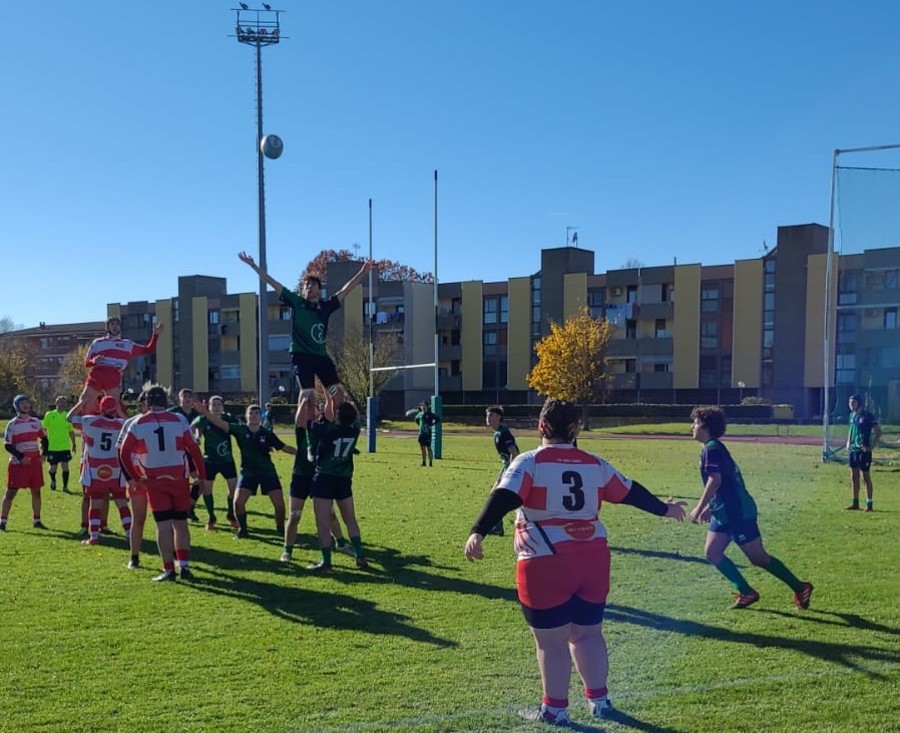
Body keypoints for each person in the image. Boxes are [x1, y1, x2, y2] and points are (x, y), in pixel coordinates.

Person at [464, 399, 686, 726]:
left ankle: (554, 710)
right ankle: (599, 701)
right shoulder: (594, 463)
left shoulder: (530, 462)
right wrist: (665, 509)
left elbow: (505, 495)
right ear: (576, 429)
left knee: (551, 643)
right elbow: (629, 491)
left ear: (541, 427)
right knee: (588, 634)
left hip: (544, 561)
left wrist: (478, 532)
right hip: (593, 559)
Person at [689, 406, 814, 611]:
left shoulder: (712, 448)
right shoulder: (712, 448)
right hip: (724, 512)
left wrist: (699, 506)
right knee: (712, 553)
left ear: (705, 427)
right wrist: (711, 508)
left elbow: (715, 480)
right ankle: (746, 592)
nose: (692, 427)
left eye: (695, 423)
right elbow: (727, 482)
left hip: (738, 512)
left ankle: (800, 587)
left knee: (758, 558)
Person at [238, 250, 374, 425]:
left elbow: (345, 290)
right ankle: (309, 437)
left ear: (319, 289)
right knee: (308, 398)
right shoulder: (297, 303)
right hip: (302, 357)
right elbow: (273, 282)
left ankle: (336, 429)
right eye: (305, 285)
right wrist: (254, 266)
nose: (308, 288)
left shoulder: (326, 307)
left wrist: (362, 273)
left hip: (321, 357)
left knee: (338, 395)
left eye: (312, 285)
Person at [118, 385, 206, 582]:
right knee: (181, 524)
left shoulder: (139, 422)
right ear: (165, 401)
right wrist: (201, 475)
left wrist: (134, 476)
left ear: (147, 403)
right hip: (179, 477)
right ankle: (184, 566)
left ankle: (168, 570)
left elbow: (123, 452)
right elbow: (194, 449)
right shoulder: (179, 419)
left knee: (163, 525)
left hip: (154, 479)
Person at [194, 402, 296, 540]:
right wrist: (206, 413)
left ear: (261, 417)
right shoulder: (239, 430)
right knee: (238, 502)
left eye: (256, 413)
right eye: (251, 413)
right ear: (246, 416)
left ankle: (280, 528)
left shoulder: (267, 433)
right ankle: (243, 530)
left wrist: (301, 455)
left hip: (268, 472)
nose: (254, 416)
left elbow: (284, 447)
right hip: (248, 473)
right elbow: (220, 423)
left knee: (279, 505)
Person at [280, 403, 356, 563]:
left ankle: (341, 543)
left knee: (330, 514)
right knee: (294, 516)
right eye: (310, 408)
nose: (313, 409)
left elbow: (335, 415)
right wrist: (303, 400)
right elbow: (299, 419)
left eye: (315, 407)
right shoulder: (304, 429)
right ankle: (287, 550)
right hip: (301, 476)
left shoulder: (325, 428)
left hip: (320, 476)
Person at [308, 392, 368, 572]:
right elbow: (354, 414)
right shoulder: (355, 429)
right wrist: (339, 396)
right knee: (351, 520)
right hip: (344, 478)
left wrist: (325, 397)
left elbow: (307, 421)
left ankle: (326, 562)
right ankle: (360, 555)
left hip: (325, 477)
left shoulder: (327, 429)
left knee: (323, 522)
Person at [67, 396, 131, 546]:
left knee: (95, 503)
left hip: (95, 468)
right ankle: (129, 534)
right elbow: (131, 423)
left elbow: (69, 418)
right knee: (121, 502)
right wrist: (120, 412)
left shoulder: (89, 421)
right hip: (116, 468)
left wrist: (80, 402)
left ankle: (94, 536)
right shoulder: (122, 424)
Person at [72, 318, 162, 418]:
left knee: (115, 407)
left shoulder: (128, 344)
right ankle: (87, 429)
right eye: (112, 324)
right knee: (85, 402)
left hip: (113, 376)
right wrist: (94, 361)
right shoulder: (97, 343)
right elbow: (87, 363)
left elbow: (148, 350)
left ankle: (121, 428)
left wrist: (156, 334)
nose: (115, 327)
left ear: (120, 327)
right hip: (97, 374)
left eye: (117, 325)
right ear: (107, 327)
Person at [191, 395, 239, 531]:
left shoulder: (228, 418)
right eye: (213, 404)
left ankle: (231, 514)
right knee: (207, 490)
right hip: (209, 461)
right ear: (209, 407)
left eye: (219, 404)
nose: (216, 407)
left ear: (223, 407)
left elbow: (239, 428)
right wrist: (197, 435)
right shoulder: (204, 419)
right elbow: (194, 425)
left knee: (234, 489)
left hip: (227, 460)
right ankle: (211, 517)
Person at [2, 395, 49, 531]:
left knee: (36, 492)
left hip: (34, 464)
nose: (26, 405)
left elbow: (45, 439)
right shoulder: (12, 424)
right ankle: (2, 521)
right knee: (10, 493)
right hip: (18, 464)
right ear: (17, 406)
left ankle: (37, 520)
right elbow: (7, 445)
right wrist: (21, 457)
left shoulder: (36, 422)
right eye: (22, 403)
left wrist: (44, 454)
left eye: (27, 402)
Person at [117, 389, 150, 568]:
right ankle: (134, 557)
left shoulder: (164, 421)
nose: (147, 406)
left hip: (158, 477)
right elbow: (120, 453)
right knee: (139, 518)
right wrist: (131, 478)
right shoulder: (131, 423)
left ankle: (173, 558)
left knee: (166, 519)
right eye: (144, 402)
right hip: (138, 478)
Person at [168, 388, 203, 522]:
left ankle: (190, 507)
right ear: (180, 399)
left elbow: (199, 428)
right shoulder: (173, 413)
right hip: (175, 453)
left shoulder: (196, 414)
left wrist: (198, 436)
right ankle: (174, 508)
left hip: (191, 452)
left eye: (190, 396)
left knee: (198, 480)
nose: (187, 399)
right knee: (176, 481)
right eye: (185, 396)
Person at [485, 406, 519, 536]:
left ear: (499, 417)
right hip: (506, 469)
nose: (488, 418)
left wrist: (510, 471)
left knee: (497, 497)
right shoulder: (497, 432)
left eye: (491, 416)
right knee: (495, 496)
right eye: (487, 416)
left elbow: (514, 452)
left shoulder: (504, 433)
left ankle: (499, 527)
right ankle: (498, 527)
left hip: (511, 470)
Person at [845, 394, 881, 512]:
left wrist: (871, 447)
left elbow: (878, 432)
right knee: (853, 476)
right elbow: (851, 429)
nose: (851, 405)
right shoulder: (852, 415)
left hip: (863, 451)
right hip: (853, 450)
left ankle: (869, 504)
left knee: (865, 477)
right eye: (850, 403)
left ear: (859, 403)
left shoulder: (867, 416)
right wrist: (848, 442)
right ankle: (855, 503)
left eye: (853, 402)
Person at [42, 396, 76, 492]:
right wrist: (43, 443)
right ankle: (53, 480)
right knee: (53, 468)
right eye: (60, 402)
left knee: (65, 466)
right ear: (56, 403)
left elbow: (71, 432)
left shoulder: (68, 416)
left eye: (64, 402)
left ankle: (65, 487)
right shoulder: (49, 415)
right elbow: (43, 429)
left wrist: (73, 444)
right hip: (52, 447)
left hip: (64, 447)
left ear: (66, 404)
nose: (62, 404)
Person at [415, 401, 440, 467]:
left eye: (424, 405)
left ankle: (430, 462)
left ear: (427, 406)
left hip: (428, 433)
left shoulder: (430, 414)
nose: (423, 407)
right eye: (422, 406)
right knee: (422, 448)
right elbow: (416, 420)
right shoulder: (420, 414)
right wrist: (420, 426)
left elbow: (437, 419)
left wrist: (431, 425)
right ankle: (423, 462)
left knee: (428, 447)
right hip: (421, 433)